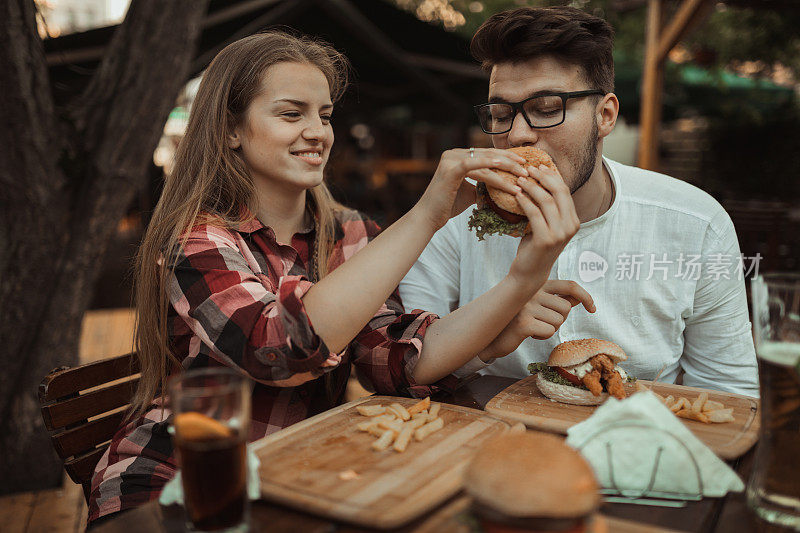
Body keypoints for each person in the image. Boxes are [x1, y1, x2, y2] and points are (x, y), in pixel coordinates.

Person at [87, 30, 580, 524]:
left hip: (293, 476)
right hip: (171, 485)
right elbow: (279, 350)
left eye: (324, 115)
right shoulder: (198, 241)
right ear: (230, 129)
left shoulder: (351, 235)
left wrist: (520, 280)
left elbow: (396, 362)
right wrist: (427, 214)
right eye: (290, 113)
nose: (318, 132)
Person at [399, 7, 758, 397]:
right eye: (500, 114)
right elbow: (402, 366)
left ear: (605, 116)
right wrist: (490, 329)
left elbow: (731, 395)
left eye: (547, 108)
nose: (517, 134)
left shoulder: (696, 223)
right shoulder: (454, 211)